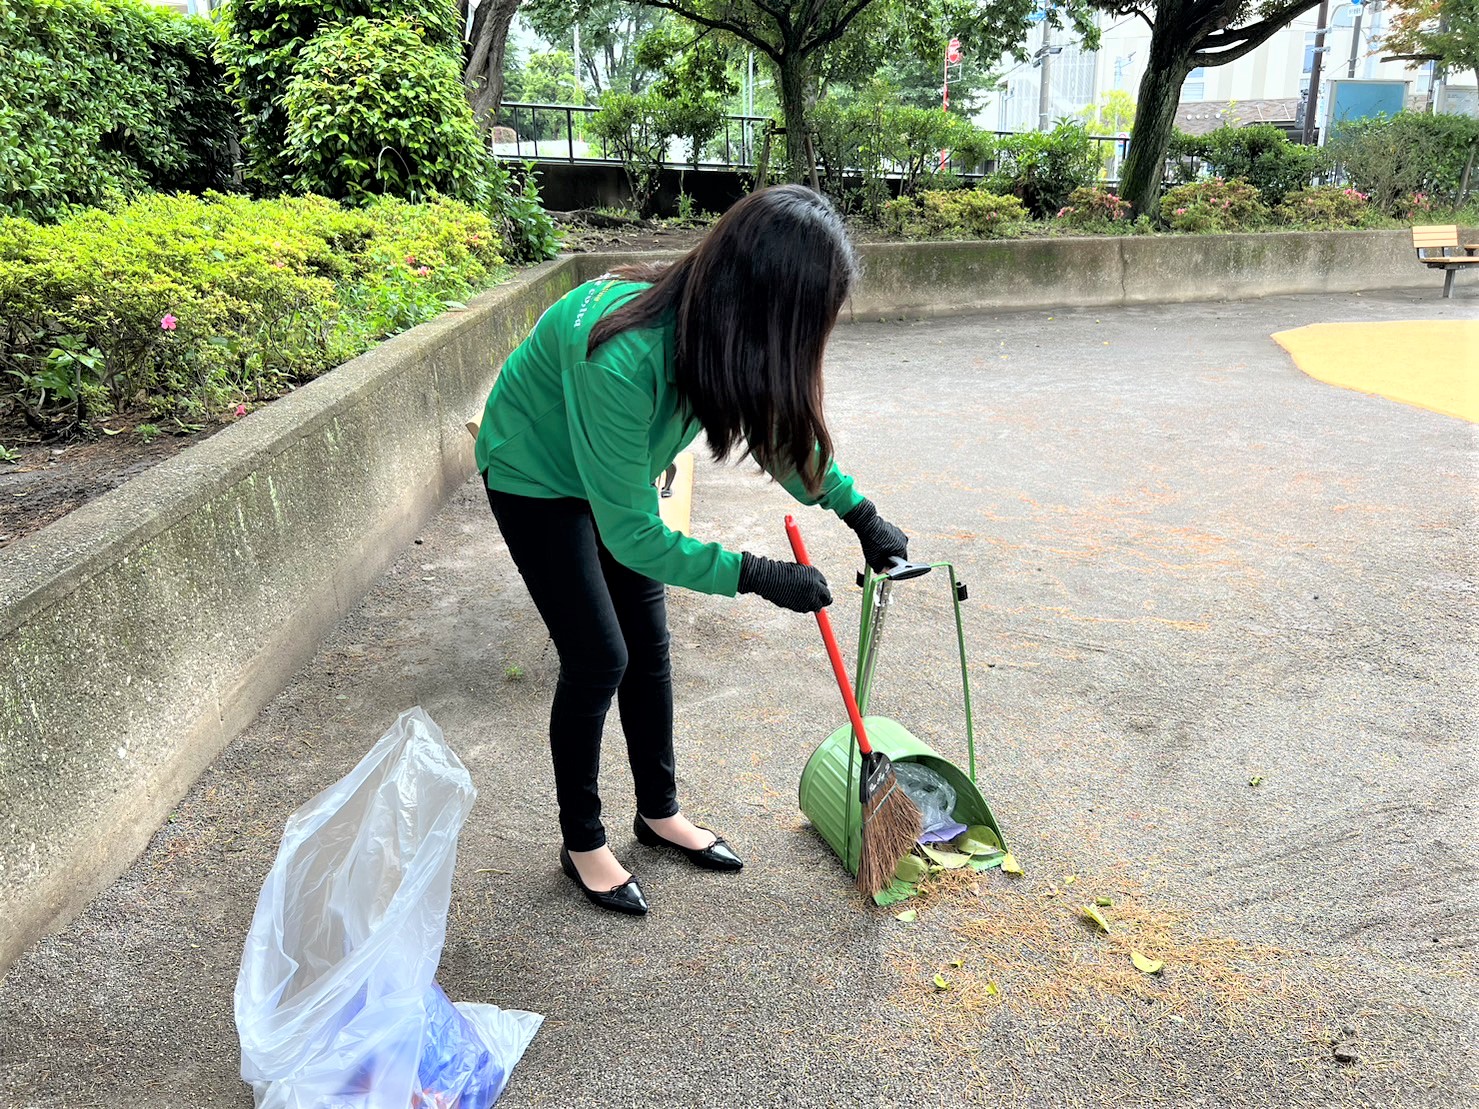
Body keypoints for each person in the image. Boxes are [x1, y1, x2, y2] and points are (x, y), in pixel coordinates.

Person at [474, 185, 909, 915]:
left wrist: (858, 513)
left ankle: (658, 811)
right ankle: (582, 842)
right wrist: (755, 574)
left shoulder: (711, 333)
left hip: (614, 473)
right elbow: (633, 537)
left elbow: (776, 429)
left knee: (648, 647)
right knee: (598, 657)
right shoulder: (621, 357)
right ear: (761, 306)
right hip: (535, 475)